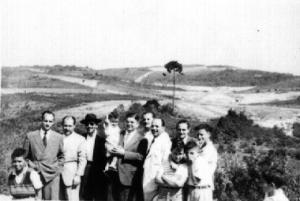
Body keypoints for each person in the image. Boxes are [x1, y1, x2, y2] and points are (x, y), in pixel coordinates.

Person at [23, 110, 64, 200]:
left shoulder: (58, 137)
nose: (47, 124)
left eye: (50, 121)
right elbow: (24, 157)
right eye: (45, 121)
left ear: (53, 122)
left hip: (52, 174)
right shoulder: (30, 136)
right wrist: (31, 165)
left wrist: (58, 169)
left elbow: (62, 156)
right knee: (37, 199)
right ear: (41, 120)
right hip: (36, 173)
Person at [110, 112, 148, 201]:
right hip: (115, 175)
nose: (129, 124)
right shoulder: (121, 134)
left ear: (137, 124)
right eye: (127, 122)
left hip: (129, 177)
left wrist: (124, 153)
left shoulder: (142, 139)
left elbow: (140, 157)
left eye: (132, 122)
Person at [80, 113, 108, 201]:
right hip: (86, 168)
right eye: (87, 124)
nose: (89, 126)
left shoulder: (103, 139)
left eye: (92, 124)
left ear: (96, 125)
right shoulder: (81, 138)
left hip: (99, 170)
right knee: (86, 194)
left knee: (99, 195)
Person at [143, 118, 172, 201]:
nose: (154, 128)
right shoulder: (154, 139)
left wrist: (159, 179)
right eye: (152, 126)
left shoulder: (165, 141)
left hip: (155, 180)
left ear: (163, 128)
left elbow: (165, 162)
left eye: (157, 126)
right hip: (149, 178)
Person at [60, 116, 87, 201]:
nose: (67, 128)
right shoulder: (58, 137)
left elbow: (83, 159)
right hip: (57, 174)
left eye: (69, 126)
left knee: (72, 198)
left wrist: (78, 175)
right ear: (62, 125)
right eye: (65, 125)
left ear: (74, 126)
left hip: (72, 173)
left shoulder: (80, 139)